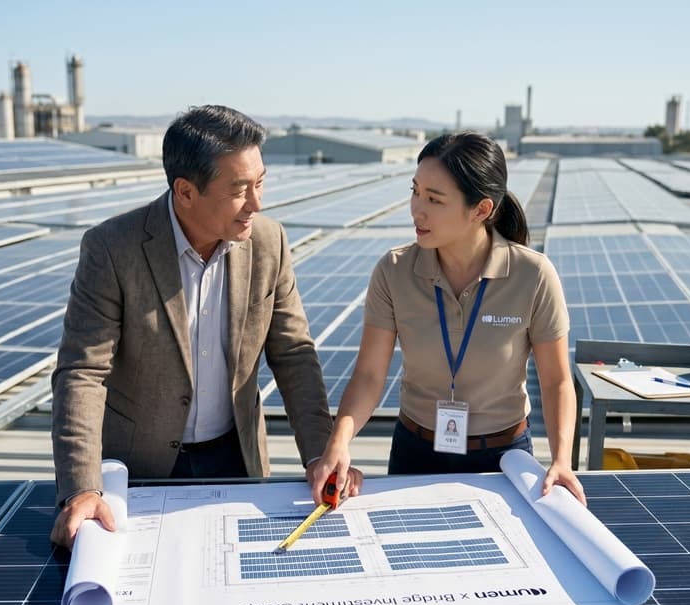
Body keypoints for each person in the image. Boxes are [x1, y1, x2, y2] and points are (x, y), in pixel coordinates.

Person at [51, 105, 362, 548]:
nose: (257, 202)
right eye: (239, 189)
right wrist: (82, 487)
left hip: (236, 457)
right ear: (185, 191)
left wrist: (319, 453)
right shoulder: (113, 249)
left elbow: (293, 354)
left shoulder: (268, 242)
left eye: (260, 183)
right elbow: (83, 373)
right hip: (142, 468)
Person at [312, 131, 586, 506]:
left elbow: (556, 381)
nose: (416, 209)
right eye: (415, 192)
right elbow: (369, 375)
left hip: (503, 459)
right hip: (415, 453)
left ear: (482, 209)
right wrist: (339, 441)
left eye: (434, 200)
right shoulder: (394, 271)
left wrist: (561, 460)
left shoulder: (533, 275)